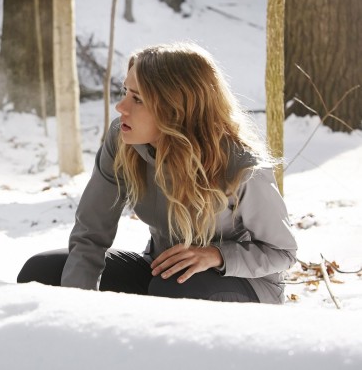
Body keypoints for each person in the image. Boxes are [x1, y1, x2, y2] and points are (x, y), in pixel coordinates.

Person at [17, 42, 297, 304]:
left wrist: (217, 255)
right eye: (125, 92)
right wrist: (77, 303)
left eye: (138, 99)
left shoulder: (241, 166)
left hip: (242, 284)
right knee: (42, 272)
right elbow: (91, 234)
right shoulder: (122, 140)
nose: (121, 107)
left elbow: (282, 252)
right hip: (163, 274)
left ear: (176, 109)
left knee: (172, 289)